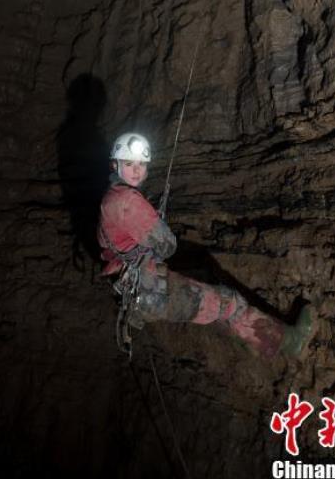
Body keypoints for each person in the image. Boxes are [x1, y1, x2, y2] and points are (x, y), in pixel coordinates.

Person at [98, 132, 315, 359]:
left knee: (207, 285)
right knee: (229, 302)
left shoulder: (110, 198)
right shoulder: (128, 201)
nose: (136, 169)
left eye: (141, 164)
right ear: (115, 165)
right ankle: (291, 342)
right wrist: (157, 224)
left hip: (138, 290)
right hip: (152, 293)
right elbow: (167, 246)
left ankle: (250, 340)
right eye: (129, 163)